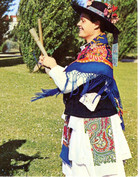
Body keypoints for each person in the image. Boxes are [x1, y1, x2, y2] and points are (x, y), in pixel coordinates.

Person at [34, 1, 131, 176]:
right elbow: (73, 79)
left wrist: (54, 66)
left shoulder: (99, 53)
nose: (78, 24)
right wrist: (50, 67)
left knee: (99, 172)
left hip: (95, 126)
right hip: (83, 124)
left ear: (96, 24)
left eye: (83, 20)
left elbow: (67, 84)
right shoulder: (89, 51)